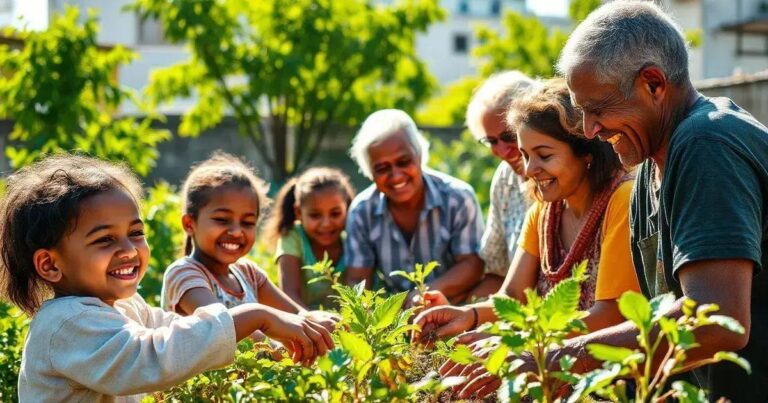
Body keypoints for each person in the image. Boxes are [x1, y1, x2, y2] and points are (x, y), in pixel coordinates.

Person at [452, 2, 768, 400]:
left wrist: (550, 358)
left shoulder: (706, 144)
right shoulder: (649, 168)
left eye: (598, 109)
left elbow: (717, 319)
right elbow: (661, 315)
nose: (589, 129)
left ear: (653, 84)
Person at [0, 154, 333, 402]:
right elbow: (152, 357)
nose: (129, 250)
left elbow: (173, 329)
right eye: (104, 239)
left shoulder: (125, 306)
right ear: (50, 264)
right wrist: (255, 315)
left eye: (135, 233)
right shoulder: (66, 323)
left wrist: (293, 330)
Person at [413, 78, 641, 397]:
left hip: (604, 378)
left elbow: (609, 316)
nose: (531, 168)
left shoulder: (622, 200)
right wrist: (469, 315)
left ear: (586, 153)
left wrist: (516, 345)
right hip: (544, 363)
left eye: (544, 155)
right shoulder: (544, 207)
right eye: (525, 154)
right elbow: (514, 298)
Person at [162, 152, 338, 335]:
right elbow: (223, 329)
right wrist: (280, 345)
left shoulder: (249, 274)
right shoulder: (184, 275)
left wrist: (317, 320)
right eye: (222, 220)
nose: (237, 231)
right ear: (189, 224)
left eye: (247, 223)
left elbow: (296, 314)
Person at [345, 109, 484, 303]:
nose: (396, 175)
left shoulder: (457, 197)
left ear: (419, 154)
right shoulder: (362, 211)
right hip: (394, 320)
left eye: (403, 161)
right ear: (369, 172)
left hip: (456, 310)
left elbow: (472, 265)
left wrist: (423, 295)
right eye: (382, 168)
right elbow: (358, 279)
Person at [463, 70, 539, 298]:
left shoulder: (561, 175)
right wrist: (461, 311)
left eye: (509, 136)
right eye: (491, 141)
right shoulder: (505, 179)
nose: (503, 151)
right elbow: (497, 273)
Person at [267, 167, 355, 309]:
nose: (326, 224)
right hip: (304, 322)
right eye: (315, 215)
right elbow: (289, 294)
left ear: (348, 209)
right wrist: (313, 322)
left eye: (335, 213)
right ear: (298, 212)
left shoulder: (353, 238)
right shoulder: (292, 237)